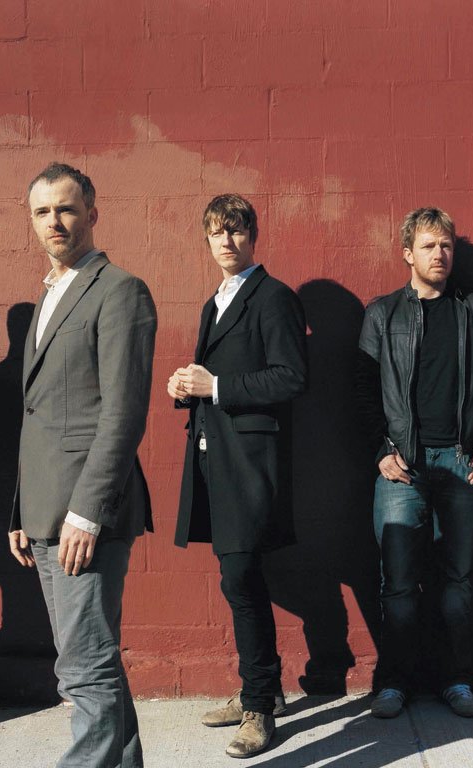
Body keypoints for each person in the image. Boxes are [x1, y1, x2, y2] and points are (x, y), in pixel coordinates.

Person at [8, 163, 156, 768]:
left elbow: (122, 413)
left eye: (66, 209)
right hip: (45, 509)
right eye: (43, 212)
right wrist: (22, 510)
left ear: (92, 214)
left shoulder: (120, 290)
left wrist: (86, 513)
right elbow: (40, 415)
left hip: (84, 514)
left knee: (84, 670)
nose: (55, 222)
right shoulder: (49, 294)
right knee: (93, 661)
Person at [355, 207, 473, 719]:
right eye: (428, 246)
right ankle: (393, 683)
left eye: (446, 245)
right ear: (408, 254)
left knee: (456, 583)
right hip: (404, 466)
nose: (439, 254)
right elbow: (362, 391)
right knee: (398, 584)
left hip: (463, 463)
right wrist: (381, 451)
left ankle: (456, 680)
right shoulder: (382, 314)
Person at [168, 194, 308, 758]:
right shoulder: (215, 301)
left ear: (253, 235)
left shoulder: (273, 297)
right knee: (238, 577)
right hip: (214, 456)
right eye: (216, 233)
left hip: (250, 462)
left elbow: (291, 377)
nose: (226, 241)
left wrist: (216, 387)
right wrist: (188, 389)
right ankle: (264, 689)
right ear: (206, 240)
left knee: (241, 576)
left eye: (236, 231)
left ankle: (259, 706)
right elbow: (215, 375)